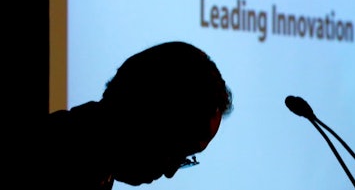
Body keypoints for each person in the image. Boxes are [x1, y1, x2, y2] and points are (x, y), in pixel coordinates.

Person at [30, 41, 233, 190]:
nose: (170, 172)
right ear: (146, 115)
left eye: (183, 158)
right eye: (175, 152)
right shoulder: (53, 161)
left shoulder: (95, 170)